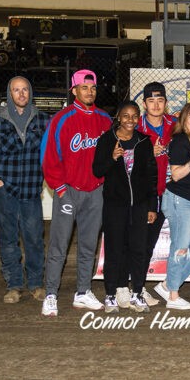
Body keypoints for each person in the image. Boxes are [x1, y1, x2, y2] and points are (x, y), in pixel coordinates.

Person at [40, 69, 112, 317]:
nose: (89, 92)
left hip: (95, 192)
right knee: (59, 245)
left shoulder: (105, 119)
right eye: (84, 87)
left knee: (88, 245)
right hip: (68, 191)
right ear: (74, 90)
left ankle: (82, 291)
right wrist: (59, 188)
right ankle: (51, 294)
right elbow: (49, 157)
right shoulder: (61, 119)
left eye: (92, 88)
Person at [0, 76, 50, 304]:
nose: (21, 94)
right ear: (9, 94)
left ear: (31, 92)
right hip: (5, 191)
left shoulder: (43, 120)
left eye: (25, 89)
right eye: (16, 90)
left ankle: (36, 284)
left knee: (34, 239)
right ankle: (14, 285)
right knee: (8, 239)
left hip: (31, 191)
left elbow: (53, 152)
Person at [92, 101, 158, 314]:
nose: (130, 120)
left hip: (139, 206)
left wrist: (151, 206)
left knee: (138, 250)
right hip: (115, 206)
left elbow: (151, 177)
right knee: (114, 250)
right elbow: (97, 170)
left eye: (134, 116)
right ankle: (111, 294)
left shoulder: (144, 142)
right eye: (126, 116)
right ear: (118, 117)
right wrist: (112, 158)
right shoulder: (106, 140)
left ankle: (137, 293)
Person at [122, 82, 176, 309]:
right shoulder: (136, 126)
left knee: (150, 243)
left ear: (165, 103)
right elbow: (121, 154)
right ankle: (126, 286)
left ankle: (139, 285)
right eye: (151, 101)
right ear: (144, 104)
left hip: (167, 192)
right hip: (143, 194)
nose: (156, 105)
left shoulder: (174, 123)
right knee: (137, 242)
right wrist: (145, 152)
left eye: (160, 100)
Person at [154, 103, 190, 310]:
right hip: (178, 199)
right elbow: (175, 175)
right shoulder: (179, 142)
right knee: (181, 248)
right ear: (183, 121)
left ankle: (168, 284)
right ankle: (173, 297)